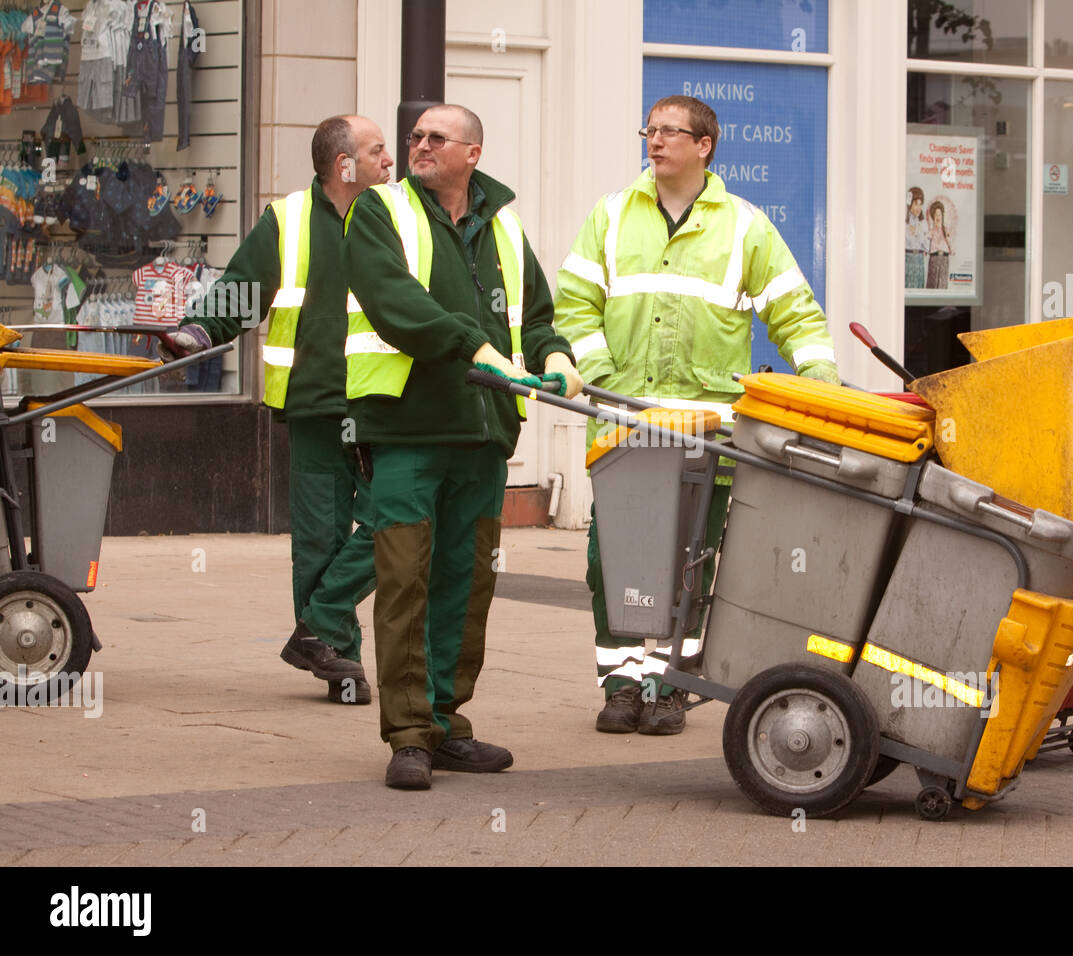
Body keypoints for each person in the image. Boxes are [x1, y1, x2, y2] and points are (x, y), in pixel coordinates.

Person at [554, 94, 840, 737]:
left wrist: (822, 385)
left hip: (708, 431)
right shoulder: (611, 217)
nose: (654, 142)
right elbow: (572, 307)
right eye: (648, 130)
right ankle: (622, 681)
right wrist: (605, 378)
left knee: (691, 561)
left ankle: (669, 686)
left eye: (669, 132)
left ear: (704, 144)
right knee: (614, 560)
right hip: (626, 424)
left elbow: (795, 312)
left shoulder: (744, 226)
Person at [342, 103, 582, 790]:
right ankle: (409, 734)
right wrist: (473, 345)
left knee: (466, 583)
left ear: (471, 153)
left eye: (434, 138)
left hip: (482, 434)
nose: (418, 145)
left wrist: (555, 354)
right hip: (406, 431)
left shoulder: (502, 224)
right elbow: (394, 302)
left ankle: (447, 721)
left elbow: (534, 314)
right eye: (414, 136)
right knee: (403, 581)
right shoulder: (380, 212)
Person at [163, 115, 393, 705]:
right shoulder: (287, 220)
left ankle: (318, 625)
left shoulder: (399, 218)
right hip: (314, 404)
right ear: (345, 164)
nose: (389, 160)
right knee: (319, 537)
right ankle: (338, 657)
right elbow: (244, 288)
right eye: (377, 151)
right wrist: (197, 331)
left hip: (384, 402)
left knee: (396, 522)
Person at [926, 199, 951, 289]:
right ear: (933, 216)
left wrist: (951, 249)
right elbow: (926, 241)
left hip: (944, 258)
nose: (938, 217)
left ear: (942, 215)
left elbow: (949, 241)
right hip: (934, 258)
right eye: (936, 214)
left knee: (942, 285)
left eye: (939, 214)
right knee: (932, 284)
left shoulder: (945, 229)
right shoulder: (931, 231)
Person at [905, 187, 927, 288]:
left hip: (919, 259)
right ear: (910, 204)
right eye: (916, 204)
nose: (918, 207)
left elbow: (927, 246)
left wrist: (918, 232)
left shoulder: (923, 223)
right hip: (907, 259)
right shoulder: (904, 221)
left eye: (920, 204)